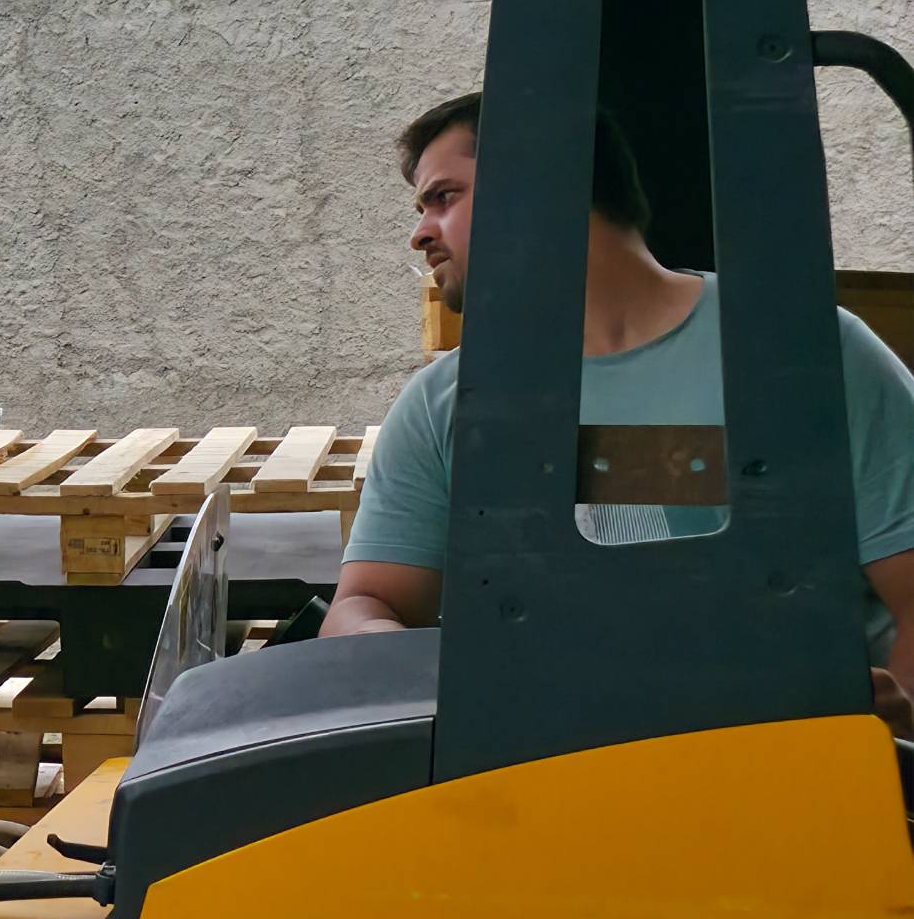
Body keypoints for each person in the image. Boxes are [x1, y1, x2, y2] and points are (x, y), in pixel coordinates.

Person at [326, 89, 914, 698]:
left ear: (545, 174)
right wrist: (432, 673)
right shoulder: (444, 404)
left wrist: (886, 750)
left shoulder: (806, 353)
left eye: (444, 198)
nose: (420, 235)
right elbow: (363, 605)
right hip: (557, 773)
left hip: (796, 769)